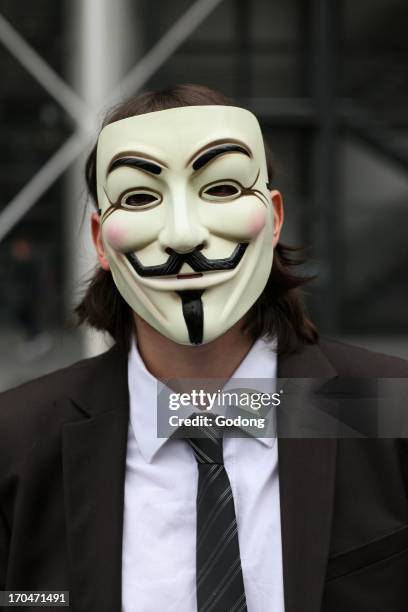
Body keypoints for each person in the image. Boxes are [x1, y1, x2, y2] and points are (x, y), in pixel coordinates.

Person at [0, 84, 408, 612]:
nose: (184, 235)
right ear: (101, 240)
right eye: (142, 198)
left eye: (220, 189)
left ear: (275, 217)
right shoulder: (19, 443)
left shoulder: (386, 410)